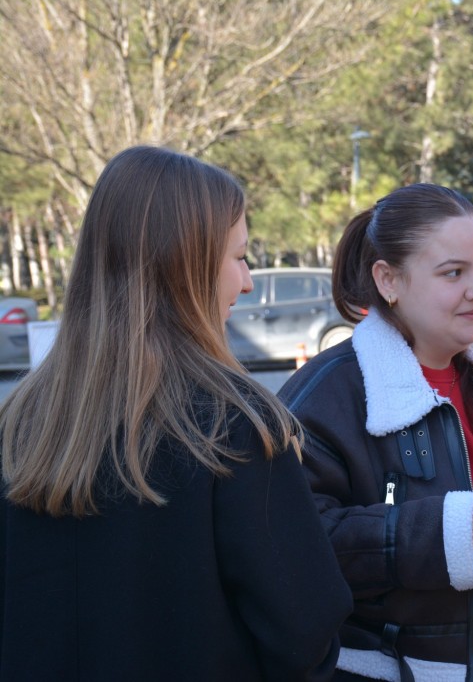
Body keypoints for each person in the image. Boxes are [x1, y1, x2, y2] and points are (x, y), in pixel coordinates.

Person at [0, 146, 352, 681]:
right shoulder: (233, 425)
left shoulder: (21, 422)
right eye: (239, 257)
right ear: (186, 266)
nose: (247, 281)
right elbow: (304, 633)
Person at [277, 183, 473, 682]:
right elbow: (292, 544)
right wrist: (434, 536)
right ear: (388, 280)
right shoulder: (328, 395)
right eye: (453, 272)